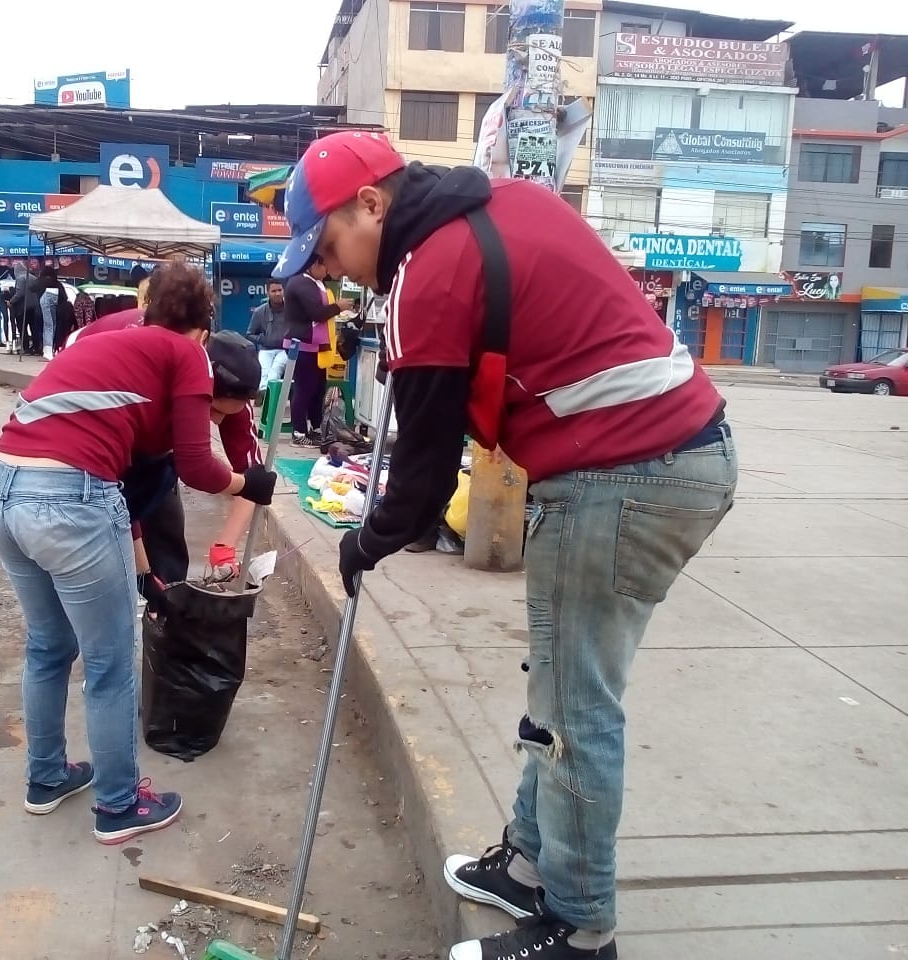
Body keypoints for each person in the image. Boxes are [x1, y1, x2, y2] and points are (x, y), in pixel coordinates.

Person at [273, 130, 738, 960]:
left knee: (575, 712)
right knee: (559, 684)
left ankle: (582, 929)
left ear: (372, 204)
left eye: (330, 245)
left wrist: (362, 544)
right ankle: (527, 862)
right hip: (666, 459)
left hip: (623, 475)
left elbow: (415, 491)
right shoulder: (501, 201)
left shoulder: (430, 275)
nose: (330, 270)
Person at [0, 260, 277, 845]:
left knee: (48, 645)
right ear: (204, 325)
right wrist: (248, 486)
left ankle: (47, 778)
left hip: (1, 489)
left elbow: (124, 485)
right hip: (71, 498)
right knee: (110, 664)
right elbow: (187, 467)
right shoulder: (188, 353)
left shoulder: (114, 337)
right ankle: (117, 805)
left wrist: (142, 572)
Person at [66, 281, 263, 584]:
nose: (214, 421)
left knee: (163, 513)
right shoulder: (150, 366)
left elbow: (253, 480)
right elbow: (196, 468)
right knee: (100, 526)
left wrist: (225, 546)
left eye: (225, 415)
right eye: (212, 410)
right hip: (83, 411)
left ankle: (167, 599)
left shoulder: (233, 386)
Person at [283, 257, 352, 445]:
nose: (328, 271)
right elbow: (317, 313)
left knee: (317, 390)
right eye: (326, 266)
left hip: (318, 346)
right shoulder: (301, 283)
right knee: (304, 389)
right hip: (303, 345)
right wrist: (339, 307)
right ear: (315, 265)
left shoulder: (317, 282)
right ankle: (298, 433)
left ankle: (314, 427)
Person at [246, 279, 290, 394]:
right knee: (264, 372)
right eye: (273, 291)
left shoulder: (292, 309)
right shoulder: (260, 311)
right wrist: (264, 340)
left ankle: (269, 396)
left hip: (285, 350)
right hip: (266, 349)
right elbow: (249, 334)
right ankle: (264, 396)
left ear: (284, 291)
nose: (277, 293)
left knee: (276, 369)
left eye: (280, 290)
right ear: (268, 293)